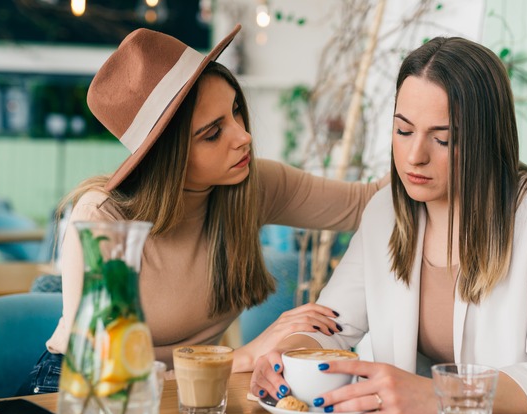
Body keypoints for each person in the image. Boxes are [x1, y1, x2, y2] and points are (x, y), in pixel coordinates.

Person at [250, 36, 527, 414]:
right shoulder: (385, 211)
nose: (414, 156)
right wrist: (291, 353)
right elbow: (332, 325)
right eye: (403, 131)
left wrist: (438, 395)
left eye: (443, 139)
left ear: (486, 139)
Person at [20, 25, 386, 395]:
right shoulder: (104, 216)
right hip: (83, 392)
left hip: (195, 390)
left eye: (236, 111)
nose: (243, 137)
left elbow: (369, 201)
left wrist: (434, 145)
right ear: (168, 156)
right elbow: (108, 368)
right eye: (212, 133)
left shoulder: (252, 186)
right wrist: (239, 357)